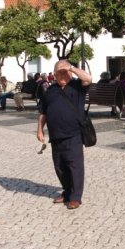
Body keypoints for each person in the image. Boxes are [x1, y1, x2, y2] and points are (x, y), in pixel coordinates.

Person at [36, 60, 92, 210]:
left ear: (69, 72)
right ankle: (67, 192)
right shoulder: (50, 90)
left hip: (73, 134)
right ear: (54, 74)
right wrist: (40, 129)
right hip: (55, 136)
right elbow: (43, 112)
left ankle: (75, 197)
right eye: (58, 72)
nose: (61, 75)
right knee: (60, 167)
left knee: (74, 166)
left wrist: (71, 68)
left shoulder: (77, 86)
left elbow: (88, 78)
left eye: (63, 72)